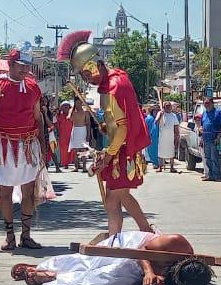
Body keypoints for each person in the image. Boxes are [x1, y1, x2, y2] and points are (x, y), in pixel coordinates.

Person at [58, 29, 155, 236]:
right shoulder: (113, 82)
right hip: (120, 147)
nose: (87, 79)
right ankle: (147, 231)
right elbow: (119, 123)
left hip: (122, 150)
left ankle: (114, 244)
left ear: (96, 65)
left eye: (87, 73)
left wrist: (107, 155)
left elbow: (122, 128)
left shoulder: (113, 87)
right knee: (123, 196)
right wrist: (105, 127)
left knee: (112, 198)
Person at [0, 47, 51, 250]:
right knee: (6, 192)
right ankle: (9, 235)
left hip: (28, 144)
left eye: (27, 66)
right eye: (21, 66)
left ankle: (26, 236)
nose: (25, 70)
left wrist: (43, 147)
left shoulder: (34, 87)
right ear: (10, 65)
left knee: (29, 192)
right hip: (4, 144)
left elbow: (38, 118)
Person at [12, 232, 213, 285]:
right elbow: (142, 250)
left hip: (138, 269)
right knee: (88, 261)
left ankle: (54, 276)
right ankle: (43, 266)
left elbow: (162, 281)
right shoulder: (177, 243)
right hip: (131, 246)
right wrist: (150, 272)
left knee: (110, 278)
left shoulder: (185, 282)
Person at [200, 97, 221, 182]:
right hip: (205, 138)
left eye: (207, 103)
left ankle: (217, 176)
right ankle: (210, 175)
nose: (205, 104)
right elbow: (201, 125)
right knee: (208, 158)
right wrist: (200, 129)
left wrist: (219, 135)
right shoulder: (204, 113)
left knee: (214, 158)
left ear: (212, 103)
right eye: (204, 103)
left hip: (214, 139)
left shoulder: (218, 112)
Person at [68, 95, 91, 171]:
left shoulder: (85, 111)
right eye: (77, 102)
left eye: (79, 102)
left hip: (83, 130)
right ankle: (76, 167)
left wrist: (88, 134)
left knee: (84, 150)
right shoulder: (72, 111)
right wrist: (72, 109)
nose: (78, 103)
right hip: (75, 130)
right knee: (76, 150)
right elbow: (69, 118)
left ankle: (84, 167)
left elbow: (88, 123)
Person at [157, 101, 180, 173]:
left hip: (170, 137)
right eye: (166, 106)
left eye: (169, 106)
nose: (168, 107)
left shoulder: (173, 116)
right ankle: (160, 167)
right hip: (162, 137)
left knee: (171, 152)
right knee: (161, 152)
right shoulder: (160, 114)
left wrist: (177, 136)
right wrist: (160, 116)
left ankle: (172, 167)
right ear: (164, 107)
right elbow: (156, 123)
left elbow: (176, 127)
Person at [54, 100, 74, 172]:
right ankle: (65, 163)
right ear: (61, 108)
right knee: (63, 150)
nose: (66, 107)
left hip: (71, 134)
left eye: (67, 106)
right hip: (62, 135)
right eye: (64, 106)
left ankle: (72, 162)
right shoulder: (59, 115)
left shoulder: (72, 115)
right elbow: (56, 125)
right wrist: (58, 133)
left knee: (72, 149)